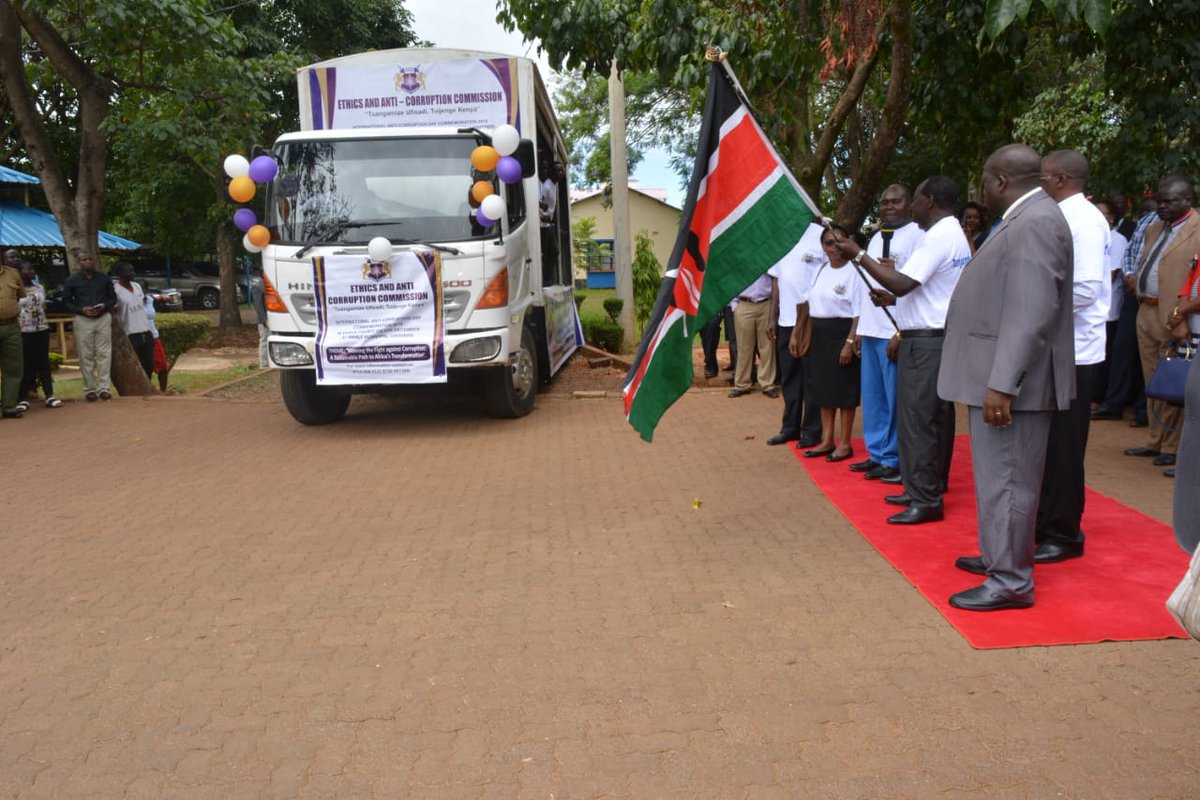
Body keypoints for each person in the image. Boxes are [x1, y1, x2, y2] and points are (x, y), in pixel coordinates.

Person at [940, 144, 1074, 612]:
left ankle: (1011, 581)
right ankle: (1000, 557)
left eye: (983, 182)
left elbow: (1031, 311)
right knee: (997, 478)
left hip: (1013, 384)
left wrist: (1003, 382)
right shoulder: (1027, 218)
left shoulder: (1035, 222)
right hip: (1000, 377)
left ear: (999, 182)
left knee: (1010, 480)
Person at [833, 176, 969, 525]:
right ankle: (924, 486)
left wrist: (858, 254)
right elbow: (926, 290)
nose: (912, 207)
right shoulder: (951, 233)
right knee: (931, 418)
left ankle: (925, 498)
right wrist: (892, 298)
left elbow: (903, 281)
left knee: (919, 419)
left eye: (917, 199)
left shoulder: (937, 237)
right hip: (933, 334)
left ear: (930, 201)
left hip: (925, 340)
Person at [1032, 150, 1111, 564]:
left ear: (1060, 179)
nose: (1037, 184)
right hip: (1055, 348)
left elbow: (1084, 290)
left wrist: (1031, 313)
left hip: (1076, 352)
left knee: (1064, 446)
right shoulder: (1062, 215)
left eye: (1041, 177)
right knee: (1046, 445)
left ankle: (1063, 534)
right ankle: (1044, 524)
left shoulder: (1083, 221)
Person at [848, 184, 923, 482]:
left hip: (896, 328)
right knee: (874, 397)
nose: (889, 206)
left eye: (896, 201)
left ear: (910, 204)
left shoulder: (920, 236)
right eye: (884, 202)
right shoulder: (878, 236)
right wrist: (860, 332)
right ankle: (877, 452)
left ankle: (894, 456)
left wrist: (901, 332)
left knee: (895, 400)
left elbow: (918, 288)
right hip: (872, 329)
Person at [1125, 176, 1199, 468]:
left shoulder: (1197, 228)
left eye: (1169, 201)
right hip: (1146, 309)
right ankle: (1154, 440)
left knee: (1174, 375)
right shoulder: (1155, 227)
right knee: (1152, 376)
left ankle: (1171, 445)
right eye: (1160, 201)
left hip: (1177, 315)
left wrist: (1182, 315)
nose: (1162, 206)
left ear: (1187, 201)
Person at [797, 225, 860, 462]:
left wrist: (850, 342)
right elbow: (808, 304)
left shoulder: (854, 271)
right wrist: (799, 333)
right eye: (828, 243)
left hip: (843, 333)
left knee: (844, 391)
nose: (833, 247)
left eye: (838, 242)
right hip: (819, 333)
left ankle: (844, 443)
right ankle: (826, 439)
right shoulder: (820, 269)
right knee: (822, 390)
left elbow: (859, 312)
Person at [1093, 196, 1157, 425]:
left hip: (1159, 302)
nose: (1164, 205)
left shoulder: (1190, 227)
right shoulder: (1149, 220)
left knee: (1152, 358)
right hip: (1133, 296)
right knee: (1122, 351)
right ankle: (1114, 403)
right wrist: (1130, 275)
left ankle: (1144, 410)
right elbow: (1132, 253)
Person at [765, 221, 825, 446]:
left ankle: (811, 430)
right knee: (789, 378)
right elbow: (776, 281)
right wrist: (772, 318)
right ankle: (790, 427)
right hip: (786, 320)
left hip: (811, 320)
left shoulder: (820, 234)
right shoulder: (781, 233)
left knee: (811, 378)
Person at [61, 253, 117, 401]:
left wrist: (104, 306)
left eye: (90, 259)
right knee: (86, 355)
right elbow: (66, 302)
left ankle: (104, 388)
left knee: (104, 354)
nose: (88, 262)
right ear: (79, 262)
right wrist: (81, 309)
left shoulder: (104, 279)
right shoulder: (71, 281)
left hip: (103, 318)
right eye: (84, 259)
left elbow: (113, 297)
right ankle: (89, 389)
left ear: (95, 261)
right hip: (83, 319)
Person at [1170, 259, 1200, 528]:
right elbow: (1188, 283)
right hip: (1191, 328)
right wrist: (1181, 313)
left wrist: (1181, 310)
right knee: (1189, 403)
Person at [1090, 198, 1129, 405]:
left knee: (1105, 354)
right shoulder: (1092, 236)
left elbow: (1111, 274)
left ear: (1111, 218)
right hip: (1091, 305)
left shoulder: (1118, 240)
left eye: (1102, 213)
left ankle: (1099, 395)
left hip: (1108, 306)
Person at [16, 261, 60, 410]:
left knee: (43, 363)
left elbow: (43, 306)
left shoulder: (39, 287)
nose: (31, 272)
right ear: (19, 272)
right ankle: (22, 398)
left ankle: (50, 396)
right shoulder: (15, 289)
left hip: (41, 328)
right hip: (23, 330)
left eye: (32, 269)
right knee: (26, 364)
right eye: (27, 269)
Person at [728, 273, 779, 398]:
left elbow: (775, 278)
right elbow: (731, 278)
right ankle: (742, 384)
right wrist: (735, 305)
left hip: (765, 303)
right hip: (744, 303)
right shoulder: (741, 257)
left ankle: (767, 384)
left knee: (767, 347)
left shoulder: (765, 256)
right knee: (744, 347)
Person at [113, 262, 154, 377]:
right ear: (120, 273)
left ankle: (147, 389)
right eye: (129, 271)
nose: (133, 273)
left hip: (145, 331)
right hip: (130, 333)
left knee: (149, 365)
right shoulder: (116, 290)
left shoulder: (137, 286)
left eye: (133, 270)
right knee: (133, 365)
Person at [0, 250, 24, 418]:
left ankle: (9, 407)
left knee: (13, 368)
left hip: (11, 326)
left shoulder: (13, 274)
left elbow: (18, 296)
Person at [143, 290, 170, 392]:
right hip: (139, 336)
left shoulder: (150, 299)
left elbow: (158, 296)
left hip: (154, 336)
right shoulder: (132, 301)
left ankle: (163, 391)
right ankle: (146, 390)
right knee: (146, 366)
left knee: (162, 366)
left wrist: (162, 297)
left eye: (143, 289)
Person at [251, 275, 269, 370]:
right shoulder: (258, 282)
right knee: (264, 339)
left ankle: (267, 362)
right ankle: (264, 364)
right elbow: (258, 304)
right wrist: (263, 319)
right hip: (265, 318)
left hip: (269, 315)